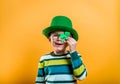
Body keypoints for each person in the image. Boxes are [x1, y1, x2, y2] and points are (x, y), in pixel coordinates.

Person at [35, 15, 87, 84]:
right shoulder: (44, 59)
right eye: (55, 35)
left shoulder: (75, 56)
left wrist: (73, 52)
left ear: (70, 40)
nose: (59, 39)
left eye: (63, 36)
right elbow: (39, 81)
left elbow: (81, 77)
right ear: (49, 39)